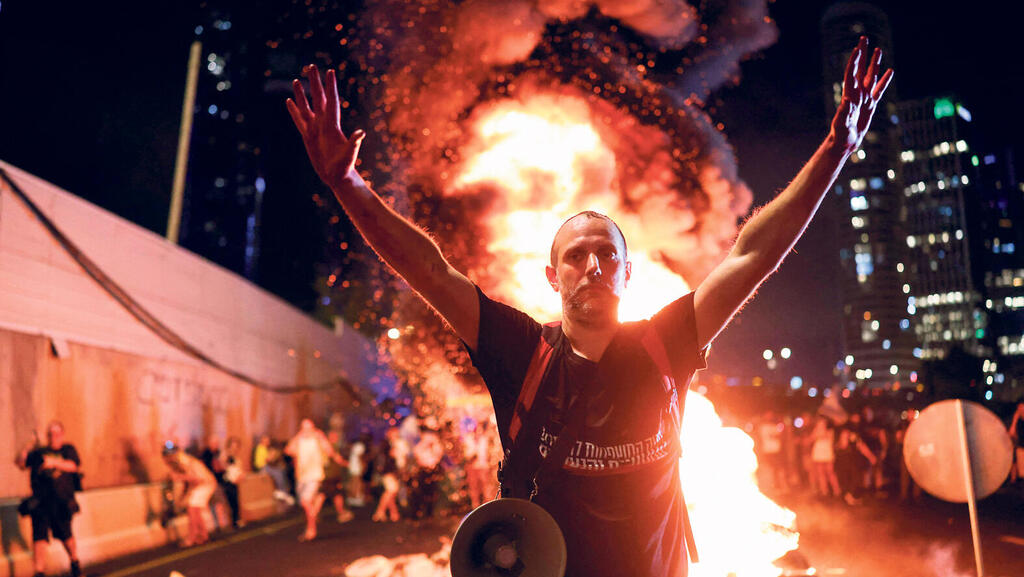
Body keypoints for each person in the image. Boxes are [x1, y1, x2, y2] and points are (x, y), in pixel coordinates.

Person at [286, 36, 892, 577]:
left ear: (627, 275)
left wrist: (836, 151)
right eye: (576, 256)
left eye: (606, 254)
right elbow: (428, 270)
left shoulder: (667, 342)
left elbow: (750, 255)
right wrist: (349, 185)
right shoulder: (520, 351)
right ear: (552, 276)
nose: (592, 265)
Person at [15, 421, 83, 577]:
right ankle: (39, 571)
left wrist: (53, 462)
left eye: (57, 434)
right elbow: (20, 463)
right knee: (39, 537)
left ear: (62, 435)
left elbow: (73, 466)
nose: (54, 437)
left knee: (66, 536)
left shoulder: (68, 449)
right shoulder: (39, 452)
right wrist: (29, 443)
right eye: (51, 434)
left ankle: (74, 561)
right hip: (41, 502)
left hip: (61, 501)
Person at [285, 418, 346, 541]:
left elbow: (329, 452)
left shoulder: (317, 440)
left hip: (315, 475)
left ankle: (311, 528)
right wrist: (298, 436)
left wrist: (322, 438)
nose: (307, 431)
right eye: (304, 428)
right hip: (302, 476)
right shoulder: (299, 440)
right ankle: (311, 523)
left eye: (309, 428)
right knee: (307, 503)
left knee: (306, 501)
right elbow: (288, 451)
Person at [162, 442, 218, 547]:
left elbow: (196, 478)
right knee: (195, 510)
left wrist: (178, 477)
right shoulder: (179, 462)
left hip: (205, 483)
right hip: (203, 483)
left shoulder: (183, 461)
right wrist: (184, 495)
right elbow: (188, 482)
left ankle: (192, 538)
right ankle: (203, 535)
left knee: (192, 509)